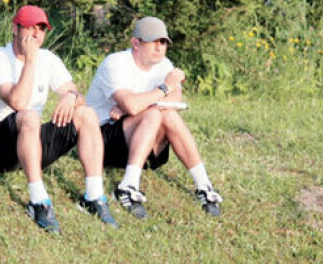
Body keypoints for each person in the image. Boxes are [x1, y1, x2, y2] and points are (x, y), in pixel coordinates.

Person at [0, 5, 117, 233]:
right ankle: (38, 201)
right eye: (29, 27)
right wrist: (29, 62)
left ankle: (94, 195)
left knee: (86, 114)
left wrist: (70, 96)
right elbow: (18, 103)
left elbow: (79, 96)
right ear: (15, 28)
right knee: (28, 115)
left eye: (41, 28)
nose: (36, 34)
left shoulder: (48, 59)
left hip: (30, 143)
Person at [86, 16, 224, 218]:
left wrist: (132, 107)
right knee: (153, 114)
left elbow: (174, 101)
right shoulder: (115, 63)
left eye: (163, 42)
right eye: (154, 41)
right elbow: (136, 103)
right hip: (101, 139)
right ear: (136, 43)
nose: (160, 48)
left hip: (140, 136)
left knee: (166, 114)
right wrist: (161, 89)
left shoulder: (163, 64)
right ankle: (128, 185)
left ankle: (204, 186)